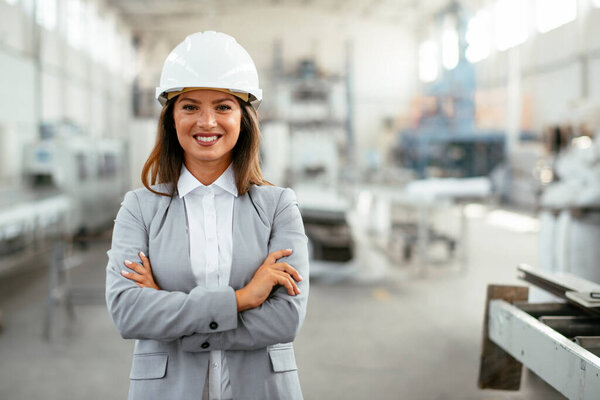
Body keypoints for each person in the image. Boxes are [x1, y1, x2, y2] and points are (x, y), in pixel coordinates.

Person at [105, 31, 309, 400]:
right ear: (171, 118)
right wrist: (243, 299)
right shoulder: (140, 209)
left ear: (243, 118)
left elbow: (286, 318)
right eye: (190, 106)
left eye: (223, 106)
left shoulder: (279, 206)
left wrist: (169, 310)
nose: (207, 121)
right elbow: (128, 312)